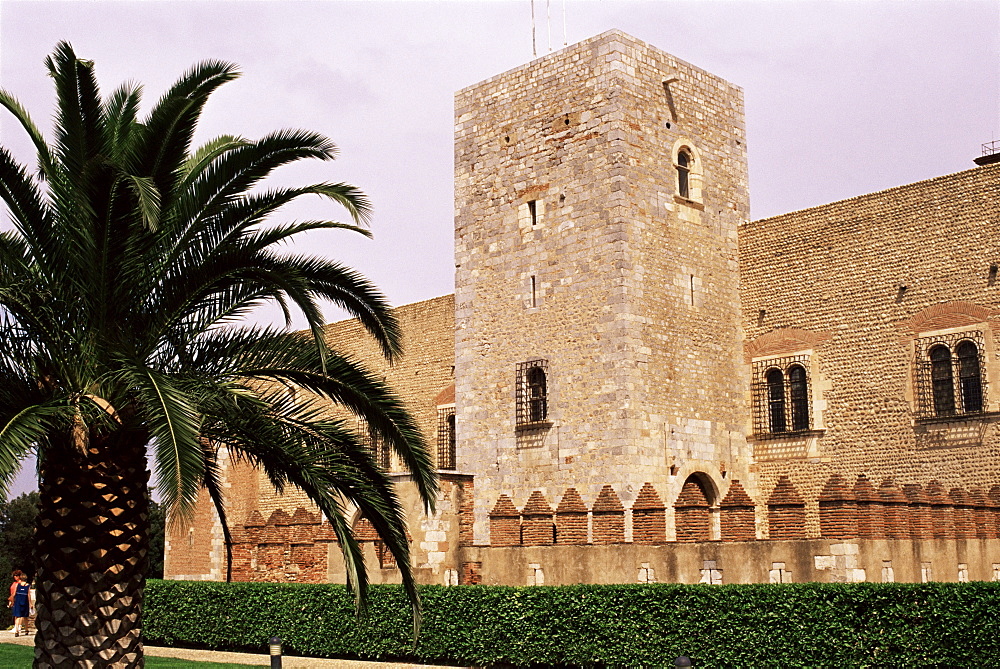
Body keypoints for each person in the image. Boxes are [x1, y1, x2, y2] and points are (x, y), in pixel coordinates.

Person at [8, 572, 29, 637]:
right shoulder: (25, 585)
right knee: (21, 616)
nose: (15, 577)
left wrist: (11, 600)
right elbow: (28, 595)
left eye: (16, 575)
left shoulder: (18, 585)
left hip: (19, 601)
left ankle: (20, 629)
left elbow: (14, 593)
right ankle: (22, 629)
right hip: (22, 601)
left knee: (20, 616)